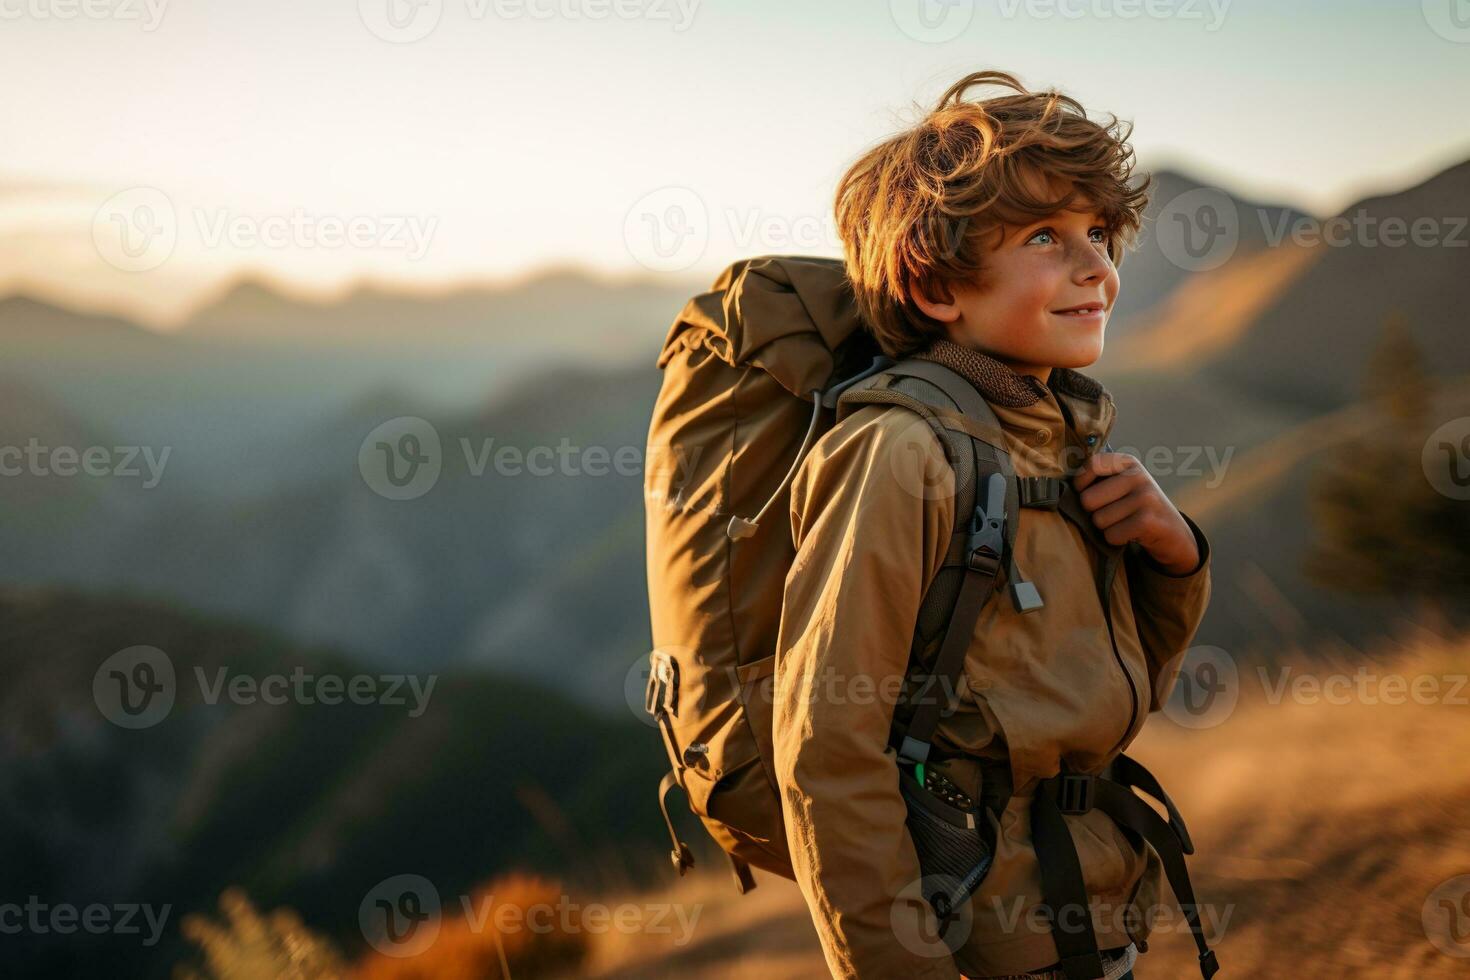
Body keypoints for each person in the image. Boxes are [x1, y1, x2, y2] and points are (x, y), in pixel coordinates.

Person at [771, 70, 1213, 979]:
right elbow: (826, 752)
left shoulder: (1056, 443)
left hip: (1092, 910)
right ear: (937, 288)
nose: (1097, 268)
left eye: (1099, 233)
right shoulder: (903, 454)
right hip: (985, 935)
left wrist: (1175, 558)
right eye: (1047, 238)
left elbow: (1117, 695)